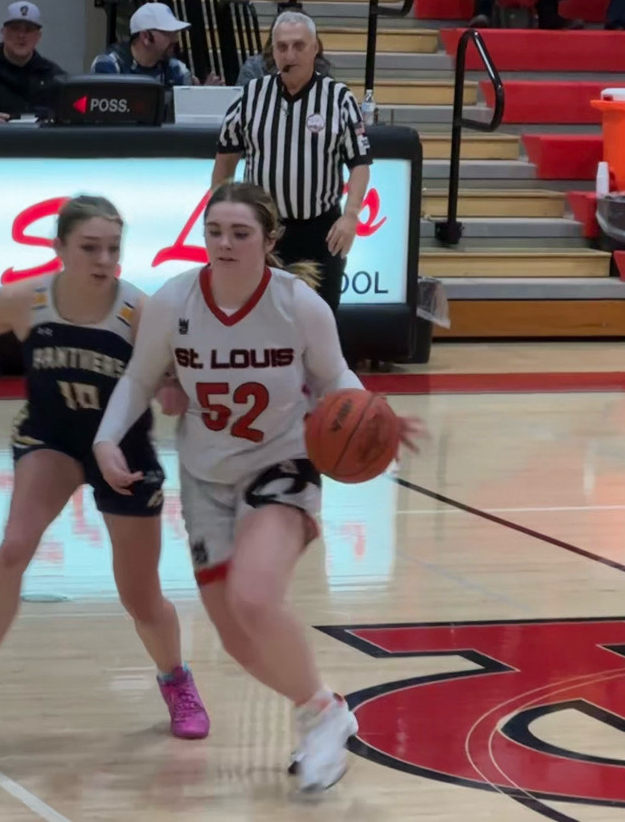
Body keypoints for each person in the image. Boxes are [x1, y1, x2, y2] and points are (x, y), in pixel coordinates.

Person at [91, 182, 421, 793]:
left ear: (269, 241)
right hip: (206, 476)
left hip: (283, 463)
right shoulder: (174, 300)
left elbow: (336, 377)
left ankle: (320, 721)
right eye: (214, 232)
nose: (224, 243)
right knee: (239, 641)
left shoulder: (299, 304)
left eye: (240, 233)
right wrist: (106, 440)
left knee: (253, 597)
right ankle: (324, 707)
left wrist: (374, 415)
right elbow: (139, 379)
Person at [0, 196, 210, 740]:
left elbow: (174, 379)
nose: (104, 259)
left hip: (122, 454)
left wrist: (174, 392)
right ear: (58, 248)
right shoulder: (25, 300)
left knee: (139, 594)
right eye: (89, 247)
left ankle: (176, 679)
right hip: (49, 440)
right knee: (15, 545)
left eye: (113, 248)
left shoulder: (139, 311)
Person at [213, 10, 371, 316]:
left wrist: (351, 216)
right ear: (272, 52)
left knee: (318, 321)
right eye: (282, 46)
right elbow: (224, 164)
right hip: (261, 230)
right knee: (256, 319)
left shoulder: (338, 98)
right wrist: (221, 219)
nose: (290, 54)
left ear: (315, 49)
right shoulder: (251, 96)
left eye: (299, 46)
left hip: (319, 230)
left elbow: (360, 164)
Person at [90, 2, 223, 88]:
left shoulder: (176, 70)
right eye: (168, 33)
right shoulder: (110, 66)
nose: (176, 39)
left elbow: (187, 116)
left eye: (175, 33)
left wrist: (204, 96)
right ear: (146, 37)